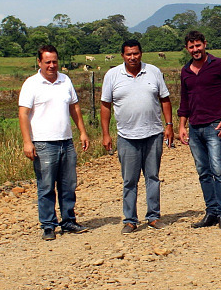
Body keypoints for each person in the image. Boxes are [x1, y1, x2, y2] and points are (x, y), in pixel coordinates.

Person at [100, 40, 174, 234]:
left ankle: (153, 217)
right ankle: (130, 220)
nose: (132, 57)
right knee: (129, 180)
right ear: (122, 56)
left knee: (152, 177)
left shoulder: (154, 72)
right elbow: (105, 105)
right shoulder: (112, 75)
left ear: (141, 54)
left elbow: (165, 99)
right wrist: (106, 133)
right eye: (128, 54)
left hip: (153, 134)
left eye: (136, 53)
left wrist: (169, 125)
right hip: (127, 136)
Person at [18, 45, 91, 241]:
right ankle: (48, 225)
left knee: (68, 185)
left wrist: (82, 132)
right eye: (47, 62)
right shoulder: (31, 84)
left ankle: (68, 221)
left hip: (66, 141)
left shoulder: (65, 80)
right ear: (39, 63)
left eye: (55, 61)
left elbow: (74, 107)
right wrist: (27, 141)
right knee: (46, 186)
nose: (52, 65)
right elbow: (23, 114)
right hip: (43, 143)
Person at [177, 30, 221, 230]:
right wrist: (181, 126)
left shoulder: (219, 65)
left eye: (198, 45)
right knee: (203, 172)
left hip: (215, 126)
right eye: (191, 47)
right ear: (187, 49)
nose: (195, 50)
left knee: (218, 170)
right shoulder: (185, 71)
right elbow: (184, 101)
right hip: (195, 129)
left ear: (205, 44)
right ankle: (211, 212)